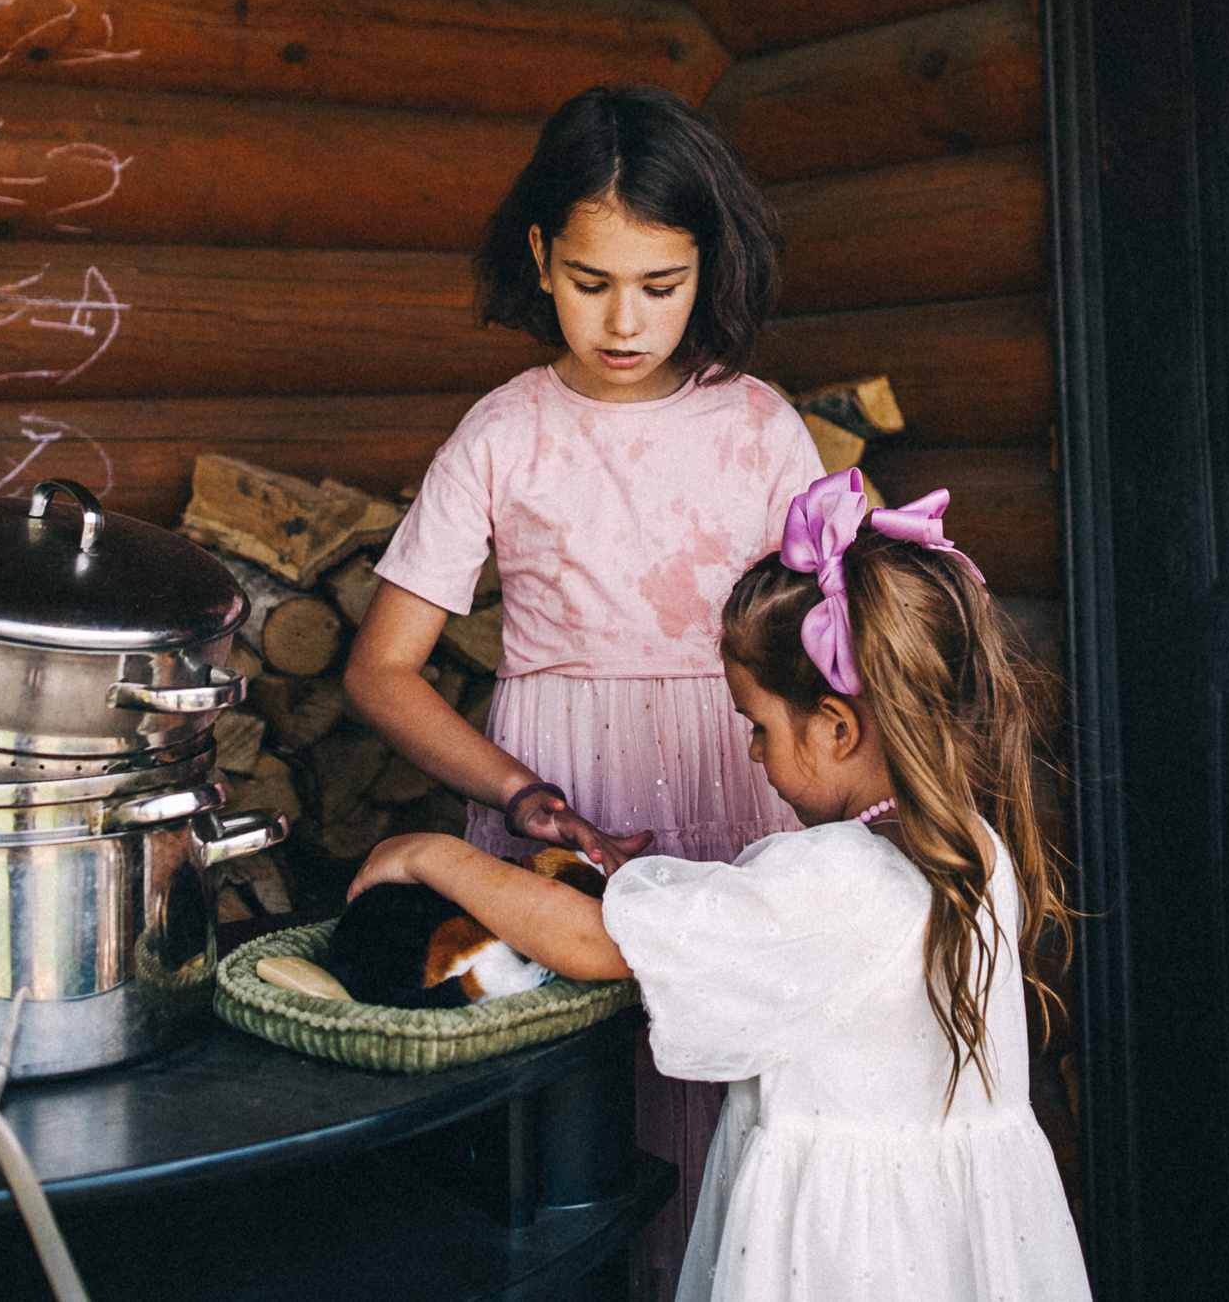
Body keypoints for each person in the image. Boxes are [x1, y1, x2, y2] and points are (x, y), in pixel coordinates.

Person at [349, 468, 1089, 1302]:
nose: (751, 753)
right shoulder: (970, 850)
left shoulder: (833, 879)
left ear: (838, 727)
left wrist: (430, 856)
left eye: (758, 724)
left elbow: (594, 942)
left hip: (846, 1267)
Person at [343, 82, 826, 1290]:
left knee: (743, 1106)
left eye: (661, 287)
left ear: (706, 270)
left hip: (744, 779)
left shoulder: (762, 427)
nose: (625, 321)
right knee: (572, 1128)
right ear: (540, 257)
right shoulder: (503, 434)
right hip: (563, 792)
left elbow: (837, 646)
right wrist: (519, 793)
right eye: (590, 281)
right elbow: (379, 671)